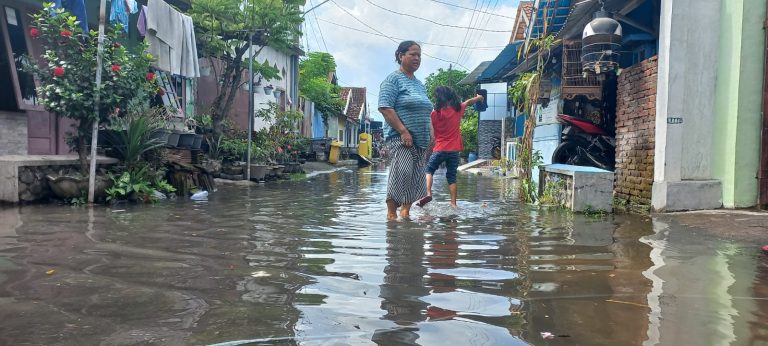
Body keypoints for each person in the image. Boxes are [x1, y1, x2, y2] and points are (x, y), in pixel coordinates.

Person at [378, 41, 434, 220]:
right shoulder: (392, 80)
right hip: (400, 138)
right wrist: (403, 131)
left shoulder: (420, 85)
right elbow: (385, 108)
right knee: (403, 172)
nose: (417, 58)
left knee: (416, 177)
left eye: (419, 55)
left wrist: (432, 137)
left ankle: (406, 212)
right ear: (401, 56)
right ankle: (391, 214)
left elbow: (427, 111)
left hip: (421, 140)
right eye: (413, 54)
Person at [418, 86, 484, 208]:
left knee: (429, 170)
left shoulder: (434, 114)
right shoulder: (457, 109)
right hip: (454, 150)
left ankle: (428, 192)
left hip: (439, 148)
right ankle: (453, 204)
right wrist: (479, 97)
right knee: (451, 177)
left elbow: (432, 135)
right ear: (451, 97)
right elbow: (469, 102)